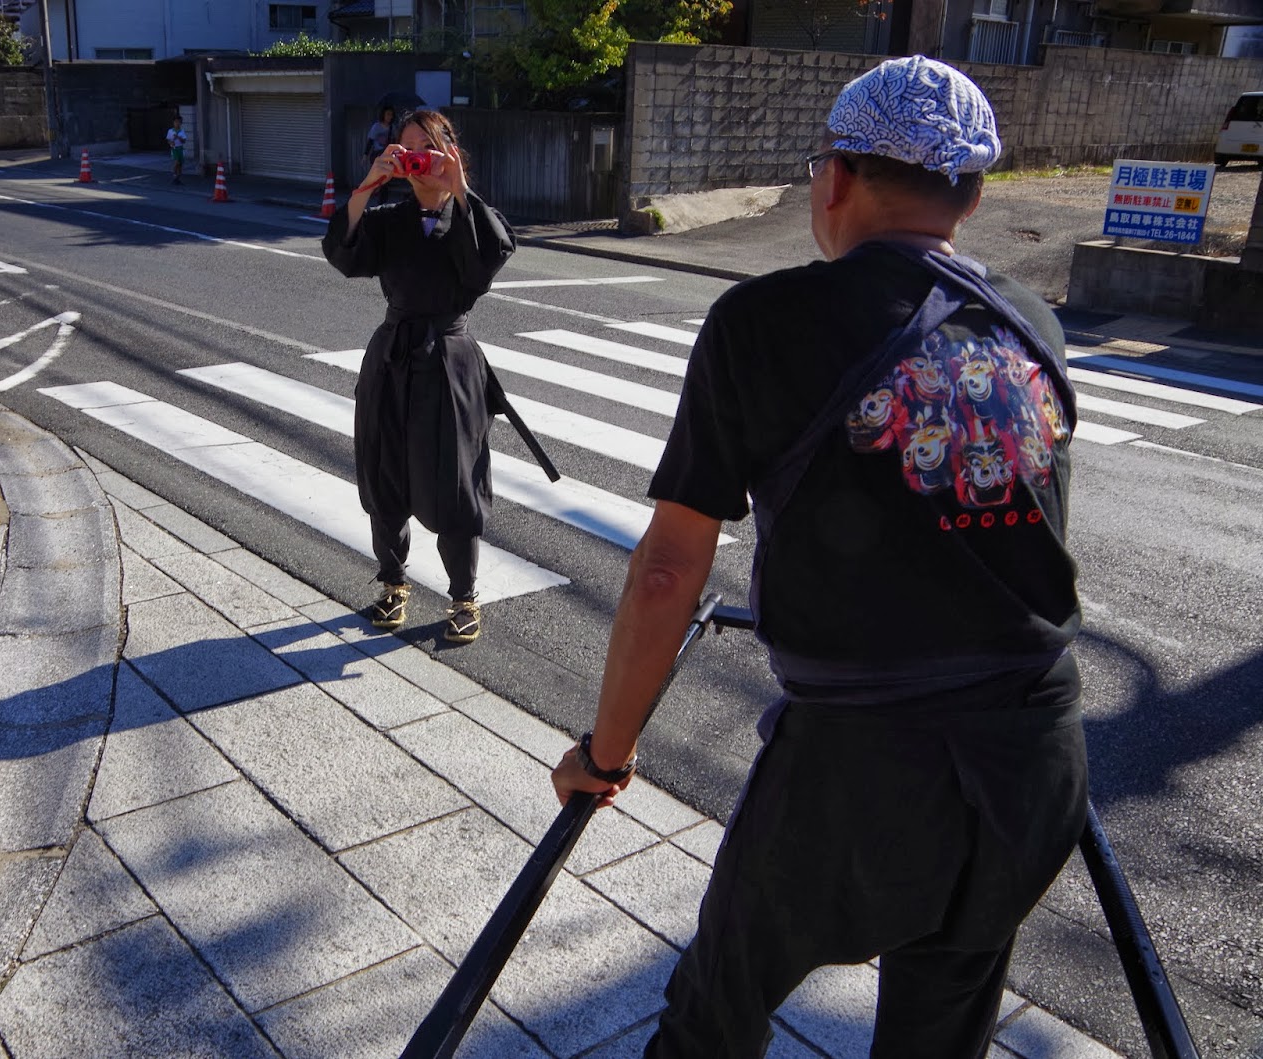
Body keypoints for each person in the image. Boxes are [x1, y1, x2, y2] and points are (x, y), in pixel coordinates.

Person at [551, 56, 1089, 1058]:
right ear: (971, 196)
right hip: (1036, 756)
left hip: (856, 767)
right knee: (942, 1031)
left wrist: (605, 755)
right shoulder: (1034, 321)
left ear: (834, 177)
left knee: (715, 1017)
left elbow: (668, 569)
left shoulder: (763, 322)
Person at [321, 109, 552, 645]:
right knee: (384, 471)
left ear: (450, 150)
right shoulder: (388, 218)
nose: (418, 158)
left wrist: (459, 188)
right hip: (392, 357)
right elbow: (344, 254)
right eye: (406, 150)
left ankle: (464, 597)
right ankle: (393, 583)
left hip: (450, 361)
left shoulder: (470, 215)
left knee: (455, 479)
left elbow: (486, 262)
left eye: (427, 147)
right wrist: (369, 184)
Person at [167, 115, 188, 185]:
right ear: (173, 122)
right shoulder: (170, 131)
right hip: (174, 148)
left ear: (181, 123)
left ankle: (177, 178)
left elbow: (184, 141)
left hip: (180, 149)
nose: (177, 123)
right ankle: (174, 175)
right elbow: (168, 140)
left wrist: (178, 137)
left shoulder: (182, 131)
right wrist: (171, 142)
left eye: (179, 122)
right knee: (177, 162)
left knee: (180, 164)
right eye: (176, 122)